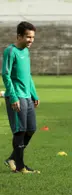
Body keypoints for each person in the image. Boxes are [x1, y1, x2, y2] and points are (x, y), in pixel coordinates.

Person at [2, 21, 40, 174]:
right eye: (28, 37)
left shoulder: (26, 51)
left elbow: (28, 76)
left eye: (32, 37)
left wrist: (34, 93)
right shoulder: (10, 51)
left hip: (27, 96)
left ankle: (12, 159)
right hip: (16, 96)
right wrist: (12, 97)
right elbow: (5, 74)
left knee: (31, 129)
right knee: (20, 131)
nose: (31, 40)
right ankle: (20, 166)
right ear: (19, 36)